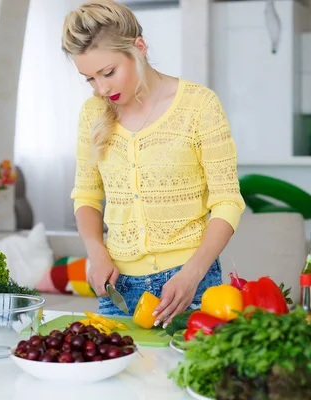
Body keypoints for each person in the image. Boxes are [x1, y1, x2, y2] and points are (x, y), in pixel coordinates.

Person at [61, 0, 245, 328]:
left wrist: (192, 274)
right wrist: (95, 250)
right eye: (89, 79)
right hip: (117, 290)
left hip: (191, 285)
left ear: (139, 48)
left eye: (108, 72)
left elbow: (228, 202)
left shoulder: (199, 105)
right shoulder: (92, 113)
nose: (101, 89)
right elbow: (86, 196)